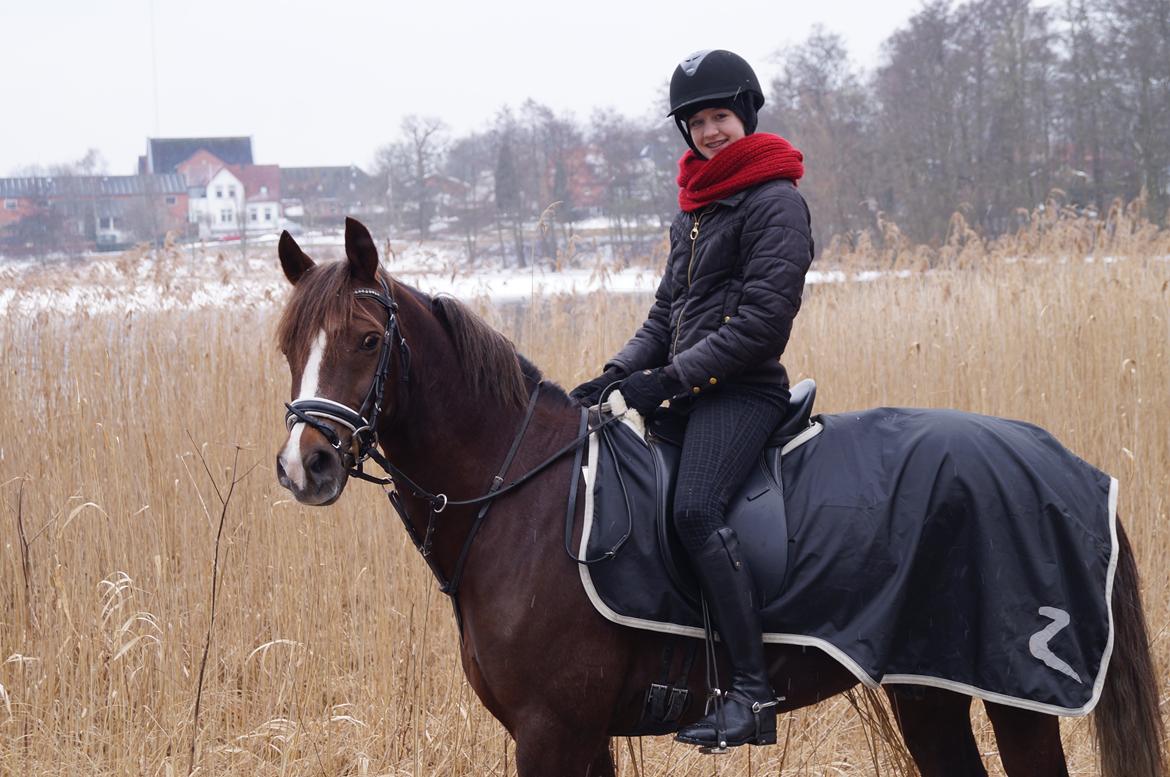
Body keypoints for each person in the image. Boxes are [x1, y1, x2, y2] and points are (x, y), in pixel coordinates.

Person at [570, 49, 813, 750]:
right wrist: (615, 373)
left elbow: (762, 323)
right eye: (697, 121)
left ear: (746, 113)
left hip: (741, 393)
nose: (709, 131)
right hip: (687, 395)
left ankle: (752, 692)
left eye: (719, 116)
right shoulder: (698, 209)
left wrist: (669, 380)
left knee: (695, 507)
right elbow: (664, 316)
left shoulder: (776, 201)